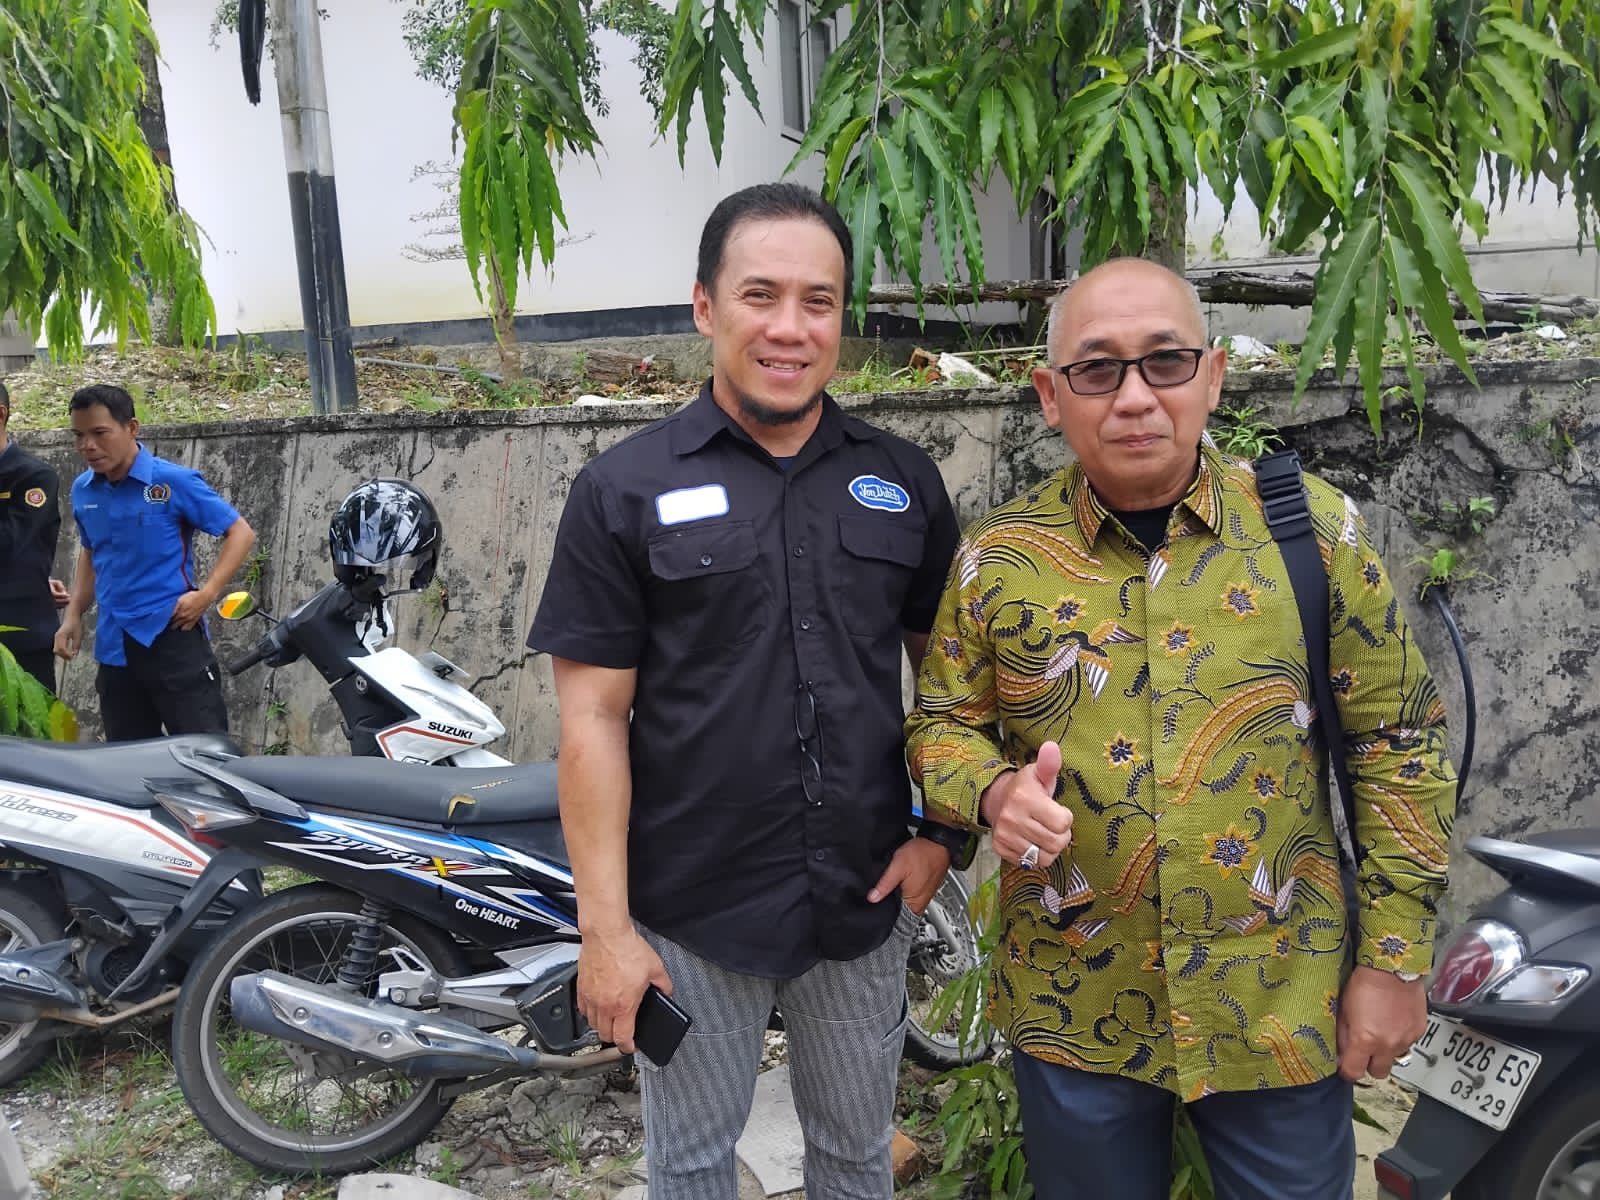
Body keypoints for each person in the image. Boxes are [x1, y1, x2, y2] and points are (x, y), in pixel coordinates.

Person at [905, 258, 1457, 1200]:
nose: (1134, 397)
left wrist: (1396, 963)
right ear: (1050, 395)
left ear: (1212, 376)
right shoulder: (997, 560)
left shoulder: (1314, 538)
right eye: (1097, 368)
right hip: (1074, 1000)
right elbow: (941, 725)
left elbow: (1397, 743)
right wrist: (991, 791)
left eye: (1165, 361)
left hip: (1277, 998)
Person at [528, 182, 966, 1200]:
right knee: (689, 1164)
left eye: (818, 301)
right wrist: (606, 932)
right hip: (691, 911)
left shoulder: (903, 483)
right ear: (704, 307)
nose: (788, 327)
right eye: (759, 295)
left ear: (842, 319)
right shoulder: (622, 492)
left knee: (855, 1157)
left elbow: (952, 683)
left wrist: (943, 837)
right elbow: (592, 722)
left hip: (863, 898)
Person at [54, 384, 256, 739]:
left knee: (203, 753)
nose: (88, 445)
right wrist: (73, 615)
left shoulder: (173, 481)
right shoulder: (84, 490)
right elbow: (91, 551)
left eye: (99, 433)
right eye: (79, 435)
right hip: (115, 646)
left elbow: (240, 532)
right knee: (128, 758)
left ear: (132, 428)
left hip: (173, 635)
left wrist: (206, 594)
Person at [0, 382, 69, 692]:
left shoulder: (33, 476)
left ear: (1, 414)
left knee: (34, 721)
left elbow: (10, 543)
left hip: (22, 636)